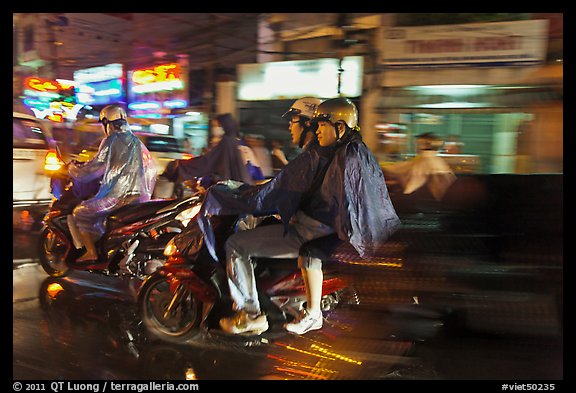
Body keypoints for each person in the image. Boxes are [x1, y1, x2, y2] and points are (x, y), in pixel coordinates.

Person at [196, 96, 332, 335]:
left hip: (307, 233)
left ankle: (250, 314)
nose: (290, 127)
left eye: (293, 121)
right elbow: (280, 186)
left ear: (308, 124)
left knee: (236, 244)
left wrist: (230, 197)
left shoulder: (310, 158)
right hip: (317, 228)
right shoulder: (319, 155)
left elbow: (270, 193)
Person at [283, 97, 401, 334]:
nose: (317, 131)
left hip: (358, 232)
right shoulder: (350, 149)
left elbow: (345, 201)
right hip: (360, 227)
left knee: (310, 251)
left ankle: (313, 313)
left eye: (322, 125)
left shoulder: (349, 154)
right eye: (315, 125)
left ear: (340, 127)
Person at [67, 104, 157, 264]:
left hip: (118, 197)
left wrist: (73, 169)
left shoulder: (111, 140)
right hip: (139, 198)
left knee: (80, 212)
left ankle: (91, 252)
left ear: (107, 123)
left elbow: (95, 167)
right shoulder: (136, 141)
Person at [382, 132, 456, 201]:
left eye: (418, 143)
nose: (416, 146)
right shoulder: (436, 160)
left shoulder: (425, 160)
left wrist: (385, 168)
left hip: (420, 200)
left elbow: (412, 184)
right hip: (427, 200)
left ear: (425, 144)